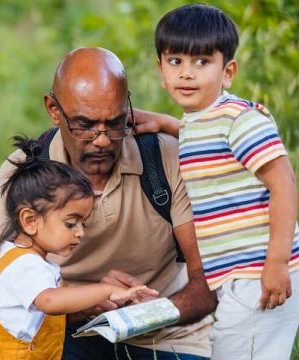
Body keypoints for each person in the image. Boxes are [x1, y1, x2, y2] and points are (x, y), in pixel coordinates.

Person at [0, 47, 216, 360]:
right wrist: (87, 306)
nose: (103, 139)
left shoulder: (166, 158)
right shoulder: (24, 173)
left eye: (115, 122)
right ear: (53, 109)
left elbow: (208, 283)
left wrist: (149, 312)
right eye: (85, 124)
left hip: (168, 336)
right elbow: (0, 294)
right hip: (62, 332)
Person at [148, 4, 299, 359]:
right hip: (237, 277)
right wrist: (163, 122)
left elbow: (283, 183)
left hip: (259, 273)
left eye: (201, 62)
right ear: (160, 69)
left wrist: (276, 263)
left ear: (227, 72)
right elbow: (197, 135)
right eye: (175, 62)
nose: (187, 73)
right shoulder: (197, 121)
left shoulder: (240, 120)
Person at [0, 136, 158, 359]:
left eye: (82, 223)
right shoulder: (29, 264)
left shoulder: (8, 253)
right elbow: (49, 301)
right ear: (30, 220)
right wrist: (107, 291)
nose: (80, 232)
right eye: (70, 223)